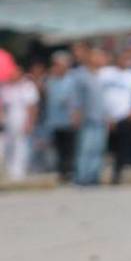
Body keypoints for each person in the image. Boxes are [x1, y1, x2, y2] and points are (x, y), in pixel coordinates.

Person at [101, 46, 131, 184]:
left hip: (124, 116)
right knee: (107, 147)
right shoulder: (105, 73)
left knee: (122, 147)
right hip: (105, 117)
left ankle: (118, 173)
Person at [73, 47, 110, 186]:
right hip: (87, 118)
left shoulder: (103, 75)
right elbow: (76, 98)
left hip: (101, 118)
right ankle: (82, 178)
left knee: (98, 149)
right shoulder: (81, 75)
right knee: (85, 149)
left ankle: (94, 177)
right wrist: (76, 114)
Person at [42, 52, 79, 182]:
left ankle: (70, 172)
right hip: (55, 120)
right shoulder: (50, 80)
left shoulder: (73, 80)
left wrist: (76, 116)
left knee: (70, 148)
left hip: (69, 120)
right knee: (58, 149)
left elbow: (76, 101)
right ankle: (61, 172)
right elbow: (46, 95)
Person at [1, 61, 39, 181]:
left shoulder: (27, 86)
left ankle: (19, 172)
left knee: (21, 145)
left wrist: (30, 123)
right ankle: (8, 170)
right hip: (8, 118)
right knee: (7, 146)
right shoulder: (5, 87)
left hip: (22, 117)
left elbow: (32, 107)